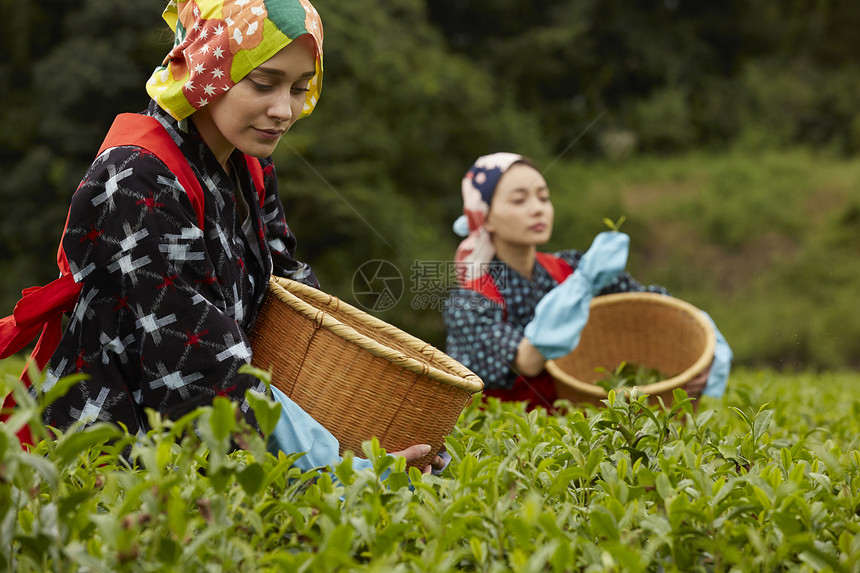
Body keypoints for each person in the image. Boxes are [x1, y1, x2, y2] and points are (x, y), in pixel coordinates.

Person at [0, 0, 441, 473]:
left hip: (225, 432)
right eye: (264, 83)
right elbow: (194, 362)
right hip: (117, 451)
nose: (283, 110)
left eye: (299, 88)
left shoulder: (249, 163)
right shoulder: (138, 178)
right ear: (208, 66)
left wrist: (370, 418)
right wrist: (338, 466)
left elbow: (291, 299)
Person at [443, 152, 731, 409]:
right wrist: (582, 286)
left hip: (579, 430)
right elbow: (529, 361)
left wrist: (702, 354)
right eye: (519, 200)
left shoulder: (571, 267)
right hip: (510, 443)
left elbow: (653, 309)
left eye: (543, 197)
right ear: (486, 218)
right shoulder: (469, 302)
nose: (538, 208)